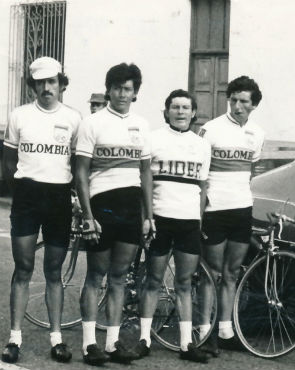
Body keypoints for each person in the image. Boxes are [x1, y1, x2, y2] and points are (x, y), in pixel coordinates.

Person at [1, 56, 81, 363]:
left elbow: (77, 163)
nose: (46, 88)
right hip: (27, 196)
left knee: (53, 270)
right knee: (23, 268)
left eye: (52, 82)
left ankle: (56, 339)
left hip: (58, 197)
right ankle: (14, 338)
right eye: (40, 83)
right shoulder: (19, 115)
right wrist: (19, 191)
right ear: (32, 85)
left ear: (61, 84)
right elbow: (8, 163)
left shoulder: (74, 118)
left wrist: (72, 195)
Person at [75, 62, 153, 366]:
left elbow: (146, 173)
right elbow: (80, 172)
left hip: (131, 207)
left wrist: (148, 215)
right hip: (102, 206)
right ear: (109, 89)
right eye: (118, 88)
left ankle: (112, 343)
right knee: (96, 275)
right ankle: (88, 344)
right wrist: (87, 214)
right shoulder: (92, 123)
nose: (123, 93)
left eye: (128, 89)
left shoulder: (142, 125)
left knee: (119, 277)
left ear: (135, 93)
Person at [133, 89, 211, 363]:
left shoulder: (202, 144)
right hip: (160, 219)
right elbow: (145, 183)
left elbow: (202, 187)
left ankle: (187, 344)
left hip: (188, 221)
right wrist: (147, 217)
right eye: (175, 107)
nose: (180, 112)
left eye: (185, 108)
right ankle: (144, 339)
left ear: (193, 113)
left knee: (184, 283)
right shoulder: (153, 139)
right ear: (166, 111)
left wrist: (199, 220)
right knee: (153, 280)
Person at [199, 76, 264, 355]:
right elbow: (200, 175)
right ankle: (204, 330)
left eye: (244, 102)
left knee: (232, 273)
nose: (237, 106)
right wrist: (199, 212)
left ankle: (225, 330)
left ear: (253, 105)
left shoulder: (257, 134)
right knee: (209, 274)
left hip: (241, 209)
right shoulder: (210, 129)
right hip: (214, 210)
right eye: (233, 100)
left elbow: (251, 173)